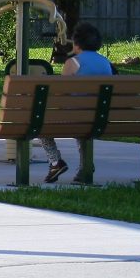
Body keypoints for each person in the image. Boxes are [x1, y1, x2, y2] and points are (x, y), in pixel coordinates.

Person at [40, 21, 114, 185]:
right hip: (99, 118)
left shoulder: (72, 63)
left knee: (39, 124)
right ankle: (85, 166)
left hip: (75, 117)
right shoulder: (106, 63)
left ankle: (55, 162)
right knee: (84, 125)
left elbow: (60, 95)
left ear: (77, 43)